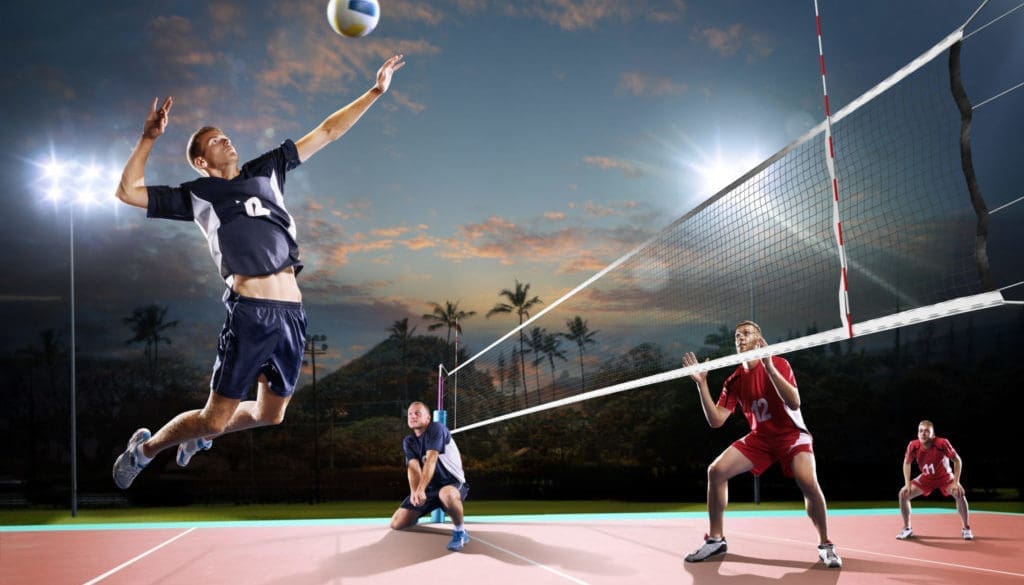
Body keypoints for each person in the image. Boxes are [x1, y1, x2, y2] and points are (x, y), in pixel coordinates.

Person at [111, 54, 406, 490]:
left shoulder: (267, 169)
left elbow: (326, 132)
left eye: (227, 136)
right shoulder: (198, 194)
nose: (226, 142)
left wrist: (375, 91)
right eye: (215, 141)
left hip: (292, 314)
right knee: (214, 418)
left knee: (272, 415)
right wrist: (148, 138)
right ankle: (146, 449)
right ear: (200, 161)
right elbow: (127, 192)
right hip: (250, 311)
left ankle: (201, 436)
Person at [681, 320, 842, 568]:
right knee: (716, 471)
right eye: (737, 335)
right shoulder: (734, 380)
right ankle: (716, 540)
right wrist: (702, 385)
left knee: (808, 481)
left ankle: (826, 545)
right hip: (761, 438)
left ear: (759, 339)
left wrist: (769, 369)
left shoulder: (779, 363)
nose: (740, 338)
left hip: (791, 434)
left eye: (746, 334)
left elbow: (795, 402)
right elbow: (716, 421)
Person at [389, 401, 470, 552]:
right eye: (410, 414)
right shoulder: (409, 441)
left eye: (417, 413)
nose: (413, 416)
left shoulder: (436, 428)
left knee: (445, 493)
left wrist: (421, 488)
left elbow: (431, 458)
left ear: (428, 418)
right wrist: (415, 492)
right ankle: (418, 513)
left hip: (452, 484)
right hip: (430, 489)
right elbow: (413, 467)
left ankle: (460, 532)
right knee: (397, 523)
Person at [897, 420, 972, 540]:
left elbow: (957, 460)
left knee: (959, 493)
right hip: (926, 478)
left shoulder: (942, 443)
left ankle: (966, 528)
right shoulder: (913, 446)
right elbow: (906, 463)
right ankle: (907, 528)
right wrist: (907, 484)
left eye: (927, 431)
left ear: (933, 434)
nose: (923, 434)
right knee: (903, 494)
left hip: (945, 478)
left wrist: (956, 482)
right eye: (920, 431)